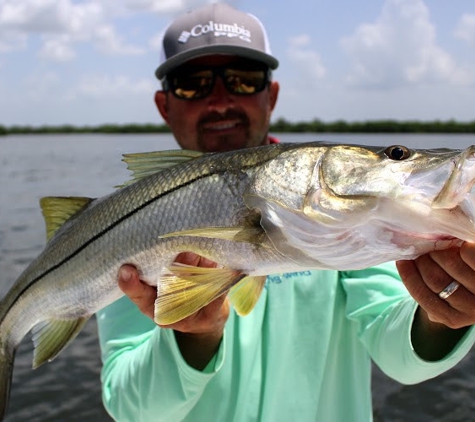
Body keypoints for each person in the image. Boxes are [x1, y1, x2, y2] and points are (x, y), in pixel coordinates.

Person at [96, 4, 475, 421]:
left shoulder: (351, 226)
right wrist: (193, 339)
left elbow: (400, 353)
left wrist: (442, 315)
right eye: (192, 84)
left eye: (243, 80)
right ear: (164, 105)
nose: (221, 100)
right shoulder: (122, 222)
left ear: (270, 94)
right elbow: (130, 406)